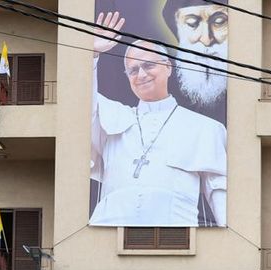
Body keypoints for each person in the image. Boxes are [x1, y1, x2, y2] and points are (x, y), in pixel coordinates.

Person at [89, 28, 226, 227]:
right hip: (107, 238)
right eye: (133, 70)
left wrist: (229, 244)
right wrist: (92, 54)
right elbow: (82, 104)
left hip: (175, 240)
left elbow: (219, 190)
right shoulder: (112, 117)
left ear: (168, 67)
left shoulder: (205, 128)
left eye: (148, 65)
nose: (141, 74)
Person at [161, 0, 229, 121]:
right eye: (192, 23)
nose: (206, 39)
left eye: (219, 22)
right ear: (176, 27)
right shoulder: (165, 89)